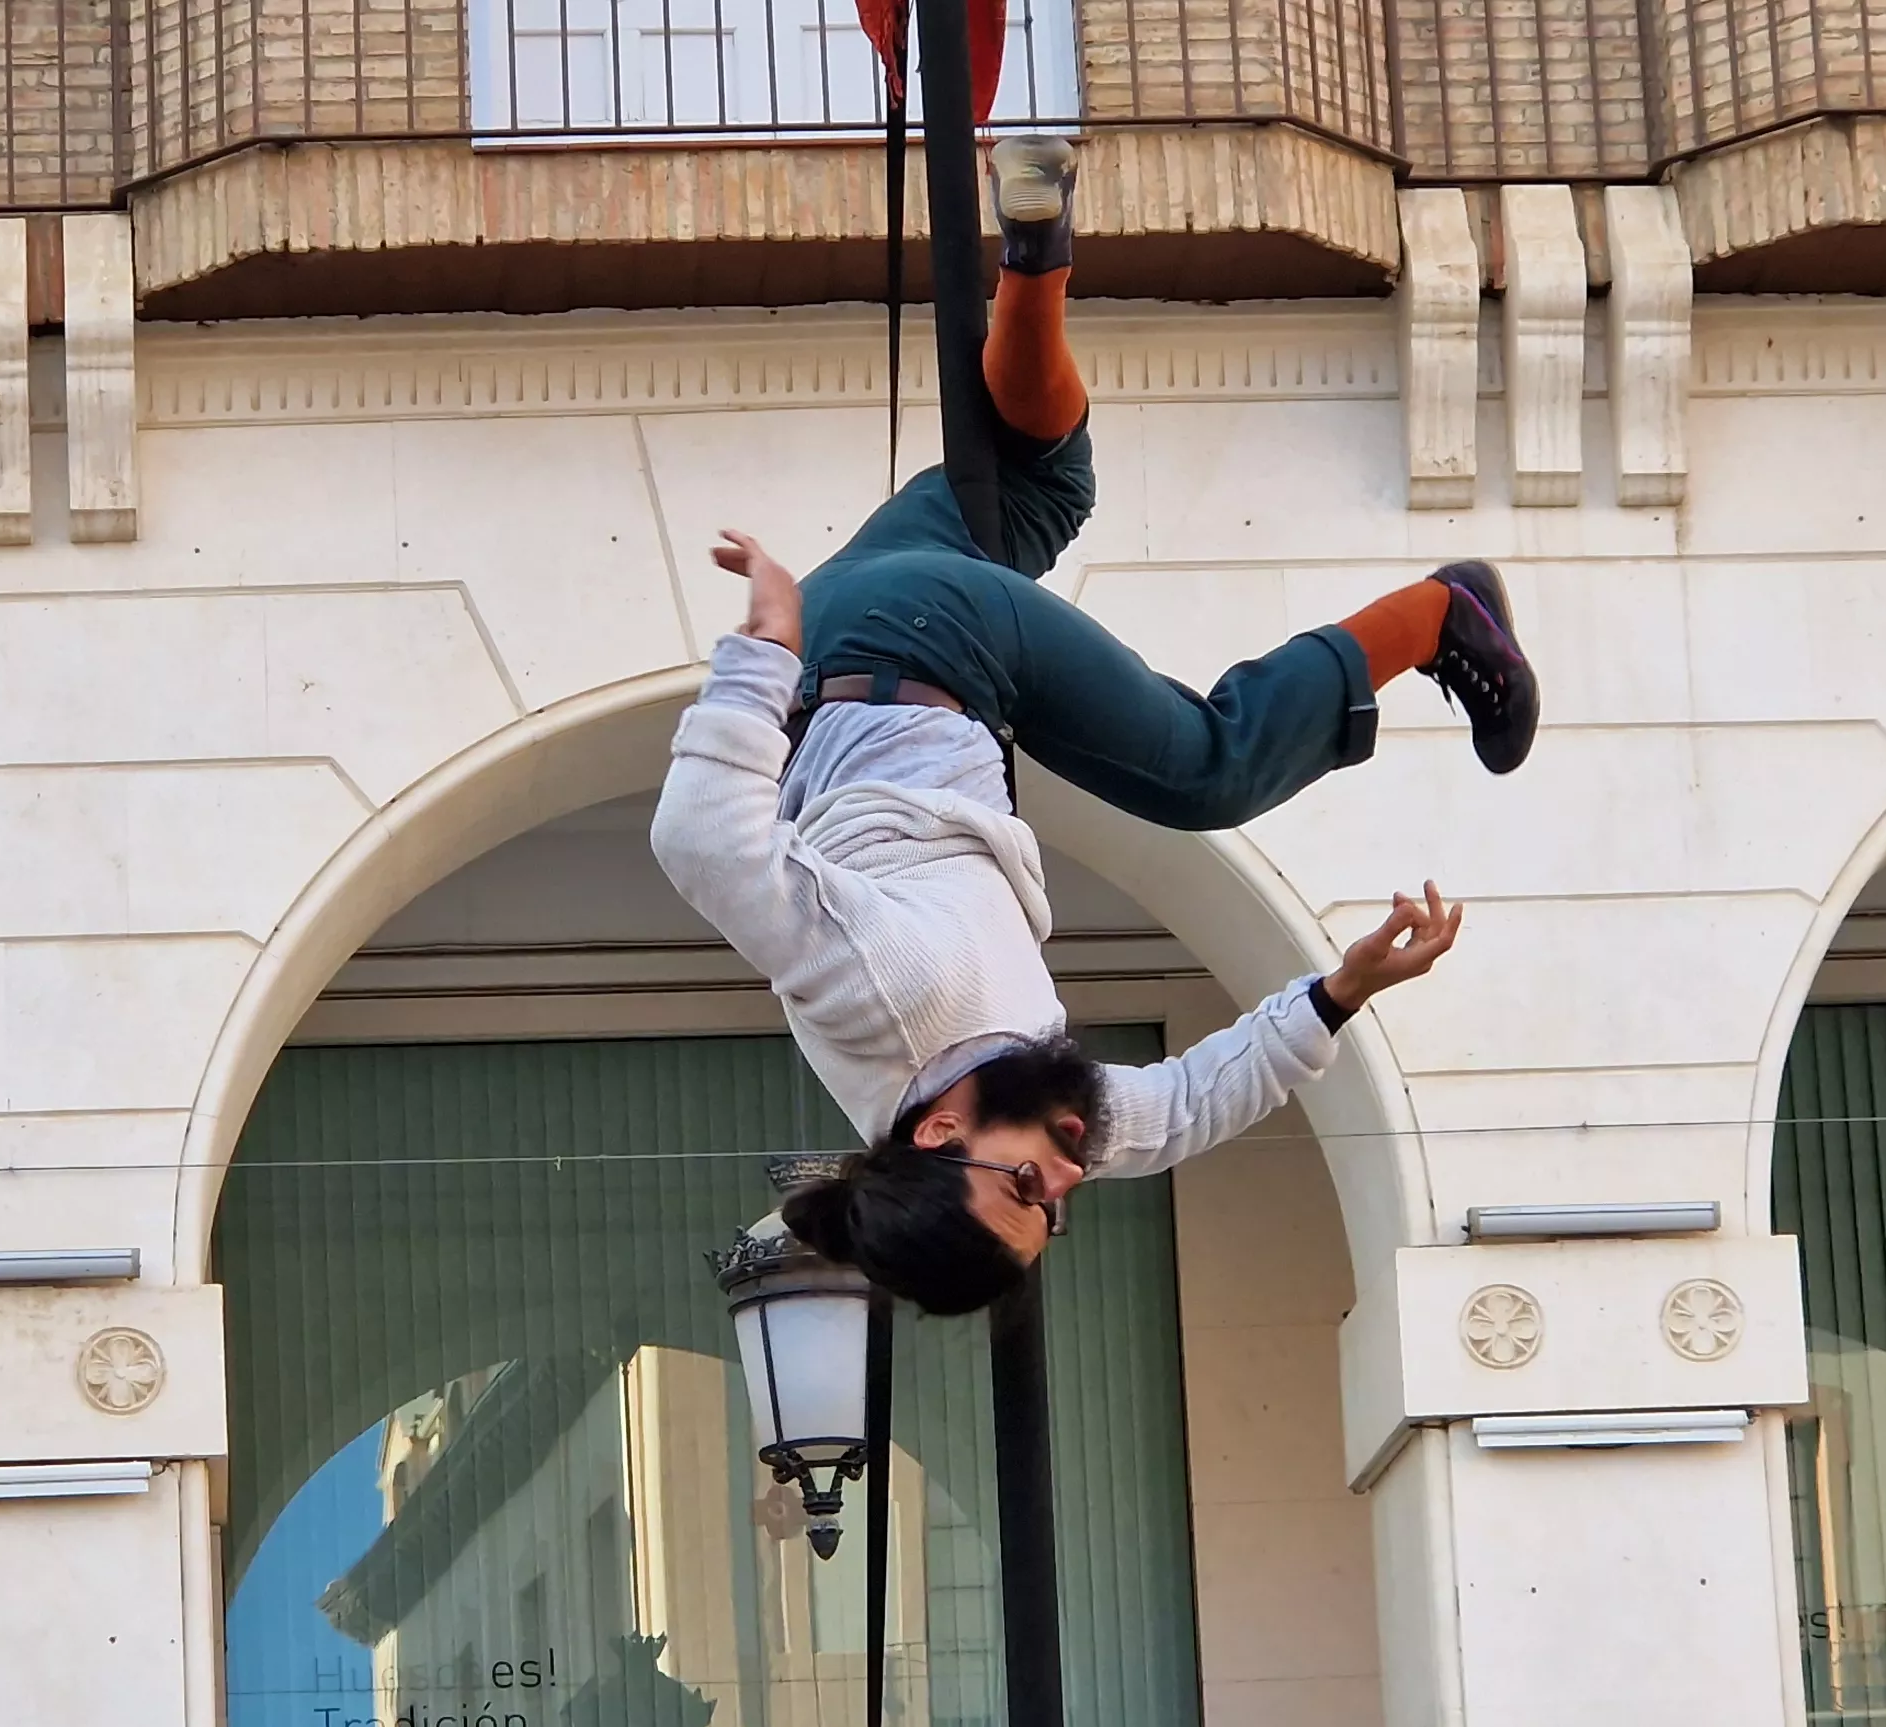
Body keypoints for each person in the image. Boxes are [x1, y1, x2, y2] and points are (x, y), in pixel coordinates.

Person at [648, 133, 1540, 1315]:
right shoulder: (1017, 1097)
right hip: (894, 612)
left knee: (1206, 770)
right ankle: (1033, 249)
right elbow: (1178, 1112)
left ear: (938, 1132)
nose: (1069, 1170)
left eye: (1029, 1184)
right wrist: (1341, 992)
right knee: (1037, 478)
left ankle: (1437, 613)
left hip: (907, 648)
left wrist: (761, 652)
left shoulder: (883, 996)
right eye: (1055, 1204)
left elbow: (703, 844)